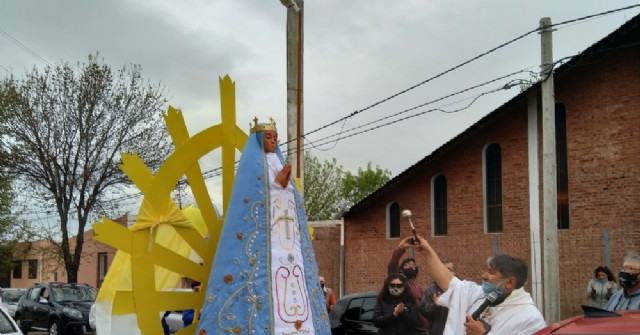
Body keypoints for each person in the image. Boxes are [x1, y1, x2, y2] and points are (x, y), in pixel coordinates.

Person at [197, 118, 330, 334]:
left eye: (275, 138)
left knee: (295, 280)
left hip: (289, 244)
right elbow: (253, 199)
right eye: (268, 137)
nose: (272, 141)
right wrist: (277, 186)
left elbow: (290, 195)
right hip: (267, 241)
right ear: (259, 140)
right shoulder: (253, 169)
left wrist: (284, 184)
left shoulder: (277, 161)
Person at [415, 234, 545, 335]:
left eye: (491, 273)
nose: (484, 276)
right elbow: (448, 281)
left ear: (510, 282)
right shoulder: (480, 294)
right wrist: (428, 252)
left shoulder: (530, 319)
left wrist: (483, 334)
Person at [387, 236, 428, 334]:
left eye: (413, 265)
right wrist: (400, 249)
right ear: (400, 270)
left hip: (421, 330)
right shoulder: (399, 281)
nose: (411, 266)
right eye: (407, 265)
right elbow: (392, 265)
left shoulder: (417, 286)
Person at [420, 260, 456, 335]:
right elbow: (424, 311)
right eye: (445, 270)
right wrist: (436, 305)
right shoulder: (431, 290)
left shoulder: (462, 289)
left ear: (454, 272)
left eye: (450, 269)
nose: (447, 272)